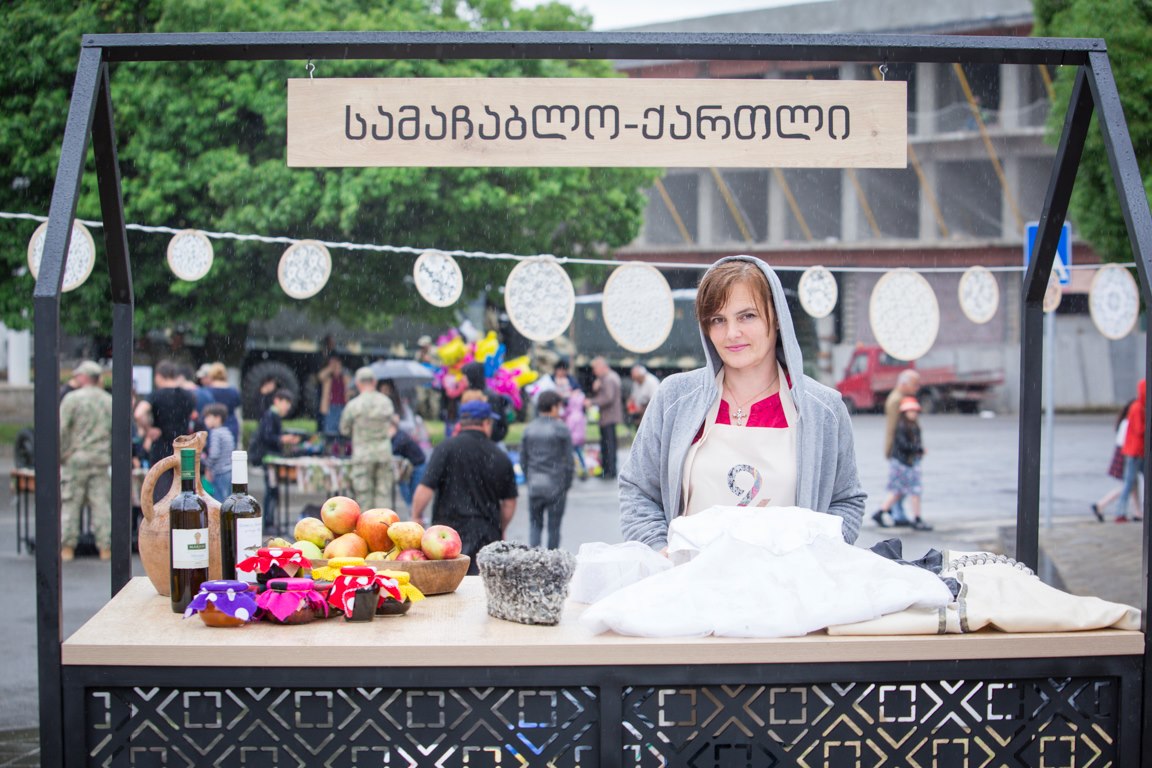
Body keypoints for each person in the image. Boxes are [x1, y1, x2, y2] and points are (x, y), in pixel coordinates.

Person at [620, 255, 865, 551]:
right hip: (690, 577)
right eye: (718, 320)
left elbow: (846, 501)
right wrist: (661, 550)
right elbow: (638, 491)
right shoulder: (674, 398)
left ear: (777, 317)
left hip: (788, 578)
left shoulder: (823, 410)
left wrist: (815, 554)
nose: (732, 333)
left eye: (747, 316)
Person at [410, 399, 518, 574]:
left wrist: (416, 516)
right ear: (486, 423)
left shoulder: (445, 448)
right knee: (481, 584)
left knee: (448, 584)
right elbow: (509, 503)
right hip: (486, 534)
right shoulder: (500, 456)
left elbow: (425, 488)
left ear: (461, 422)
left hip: (447, 534)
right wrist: (501, 528)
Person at [59, 360, 113, 561]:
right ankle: (105, 547)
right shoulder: (108, 400)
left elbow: (62, 429)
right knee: (101, 504)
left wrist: (63, 454)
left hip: (76, 457)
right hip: (100, 458)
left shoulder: (72, 399)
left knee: (71, 503)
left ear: (83, 377)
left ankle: (67, 547)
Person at [134, 360, 197, 502]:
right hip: (183, 449)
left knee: (161, 494)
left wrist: (149, 429)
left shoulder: (156, 395)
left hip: (161, 449)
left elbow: (138, 413)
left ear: (158, 376)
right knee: (184, 493)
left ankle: (163, 515)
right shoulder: (189, 396)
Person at [520, 391, 575, 549]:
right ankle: (552, 559)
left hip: (535, 485)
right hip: (556, 485)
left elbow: (523, 460)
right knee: (554, 528)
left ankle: (534, 556)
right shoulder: (561, 429)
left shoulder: (529, 429)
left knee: (535, 525)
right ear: (553, 407)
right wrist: (566, 483)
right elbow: (569, 462)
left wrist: (529, 478)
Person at [339, 367, 396, 510]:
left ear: (358, 383)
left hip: (362, 455)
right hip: (384, 453)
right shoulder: (386, 402)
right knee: (384, 494)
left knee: (364, 496)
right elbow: (393, 424)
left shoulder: (353, 405)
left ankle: (367, 524)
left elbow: (344, 429)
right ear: (374, 382)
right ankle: (385, 523)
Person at [872, 397, 932, 531]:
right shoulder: (903, 426)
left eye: (915, 411)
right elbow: (904, 445)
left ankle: (881, 512)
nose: (914, 414)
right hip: (903, 463)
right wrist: (918, 449)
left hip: (905, 462)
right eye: (911, 411)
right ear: (905, 412)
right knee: (910, 491)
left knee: (898, 491)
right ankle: (916, 518)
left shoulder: (911, 426)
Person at [872, 368, 920, 528]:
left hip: (904, 450)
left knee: (900, 486)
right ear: (904, 384)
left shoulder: (903, 398)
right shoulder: (897, 400)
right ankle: (896, 514)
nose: (917, 388)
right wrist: (894, 449)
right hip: (902, 451)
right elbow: (893, 428)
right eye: (914, 384)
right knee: (900, 486)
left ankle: (896, 513)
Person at [249, 389, 301, 533]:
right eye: (285, 403)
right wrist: (283, 439)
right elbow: (267, 437)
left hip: (271, 458)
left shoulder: (273, 416)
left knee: (273, 491)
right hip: (269, 458)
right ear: (276, 400)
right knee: (271, 491)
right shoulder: (270, 415)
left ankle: (271, 522)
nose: (287, 407)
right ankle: (268, 523)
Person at [1093, 399, 1141, 521]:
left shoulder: (1125, 421)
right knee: (1128, 484)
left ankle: (1137, 512)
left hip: (1125, 452)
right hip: (1126, 453)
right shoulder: (1128, 422)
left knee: (1132, 484)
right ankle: (1101, 505)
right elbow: (1126, 441)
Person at [1113, 379, 1146, 523]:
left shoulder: (1138, 406)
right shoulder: (1138, 408)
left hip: (1137, 451)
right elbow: (1140, 429)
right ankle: (1120, 512)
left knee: (1132, 482)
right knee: (1129, 483)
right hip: (1135, 452)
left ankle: (1131, 511)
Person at [462, 361, 512, 444]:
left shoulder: (488, 397)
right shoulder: (468, 394)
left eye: (465, 376)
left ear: (472, 377)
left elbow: (497, 422)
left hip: (489, 441)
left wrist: (487, 440)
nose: (462, 379)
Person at [589, 356, 623, 479]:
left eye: (595, 368)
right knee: (608, 444)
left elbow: (608, 398)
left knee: (608, 445)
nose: (594, 371)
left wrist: (592, 402)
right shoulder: (608, 377)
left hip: (609, 417)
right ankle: (607, 470)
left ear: (602, 367)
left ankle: (609, 471)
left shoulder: (608, 379)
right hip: (608, 417)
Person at [389, 420, 427, 509]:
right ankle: (412, 509)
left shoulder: (400, 438)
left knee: (415, 491)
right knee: (404, 486)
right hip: (412, 465)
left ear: (393, 428)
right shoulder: (398, 436)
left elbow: (392, 451)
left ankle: (414, 510)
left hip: (418, 465)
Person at [201, 403, 235, 502]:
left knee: (218, 500)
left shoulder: (215, 433)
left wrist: (207, 467)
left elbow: (214, 454)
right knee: (227, 498)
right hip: (229, 470)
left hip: (219, 472)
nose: (205, 420)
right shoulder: (227, 431)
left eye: (208, 417)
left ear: (217, 418)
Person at [201, 362, 242, 443]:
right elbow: (237, 403)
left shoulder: (207, 391)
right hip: (231, 424)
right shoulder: (233, 391)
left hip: (213, 425)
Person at [317, 354, 351, 435]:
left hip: (343, 406)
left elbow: (351, 385)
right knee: (330, 430)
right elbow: (320, 376)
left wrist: (339, 370)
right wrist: (330, 368)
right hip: (330, 407)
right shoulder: (328, 377)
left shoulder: (345, 376)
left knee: (343, 430)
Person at [564, 387, 589, 480]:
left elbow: (568, 429)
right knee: (580, 454)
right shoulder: (581, 416)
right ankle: (584, 468)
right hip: (580, 439)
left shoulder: (571, 417)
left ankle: (573, 469)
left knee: (570, 455)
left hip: (572, 440)